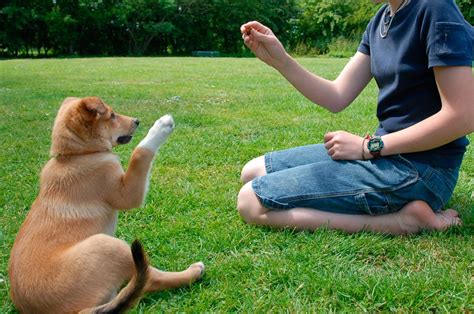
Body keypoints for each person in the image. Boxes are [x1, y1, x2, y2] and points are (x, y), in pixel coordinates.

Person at [237, 0, 473, 235]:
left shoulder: (436, 8)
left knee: (251, 202)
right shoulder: (381, 20)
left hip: (423, 170)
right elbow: (336, 96)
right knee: (252, 170)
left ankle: (404, 221)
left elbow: (464, 115)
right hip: (387, 156)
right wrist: (281, 60)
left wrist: (368, 147)